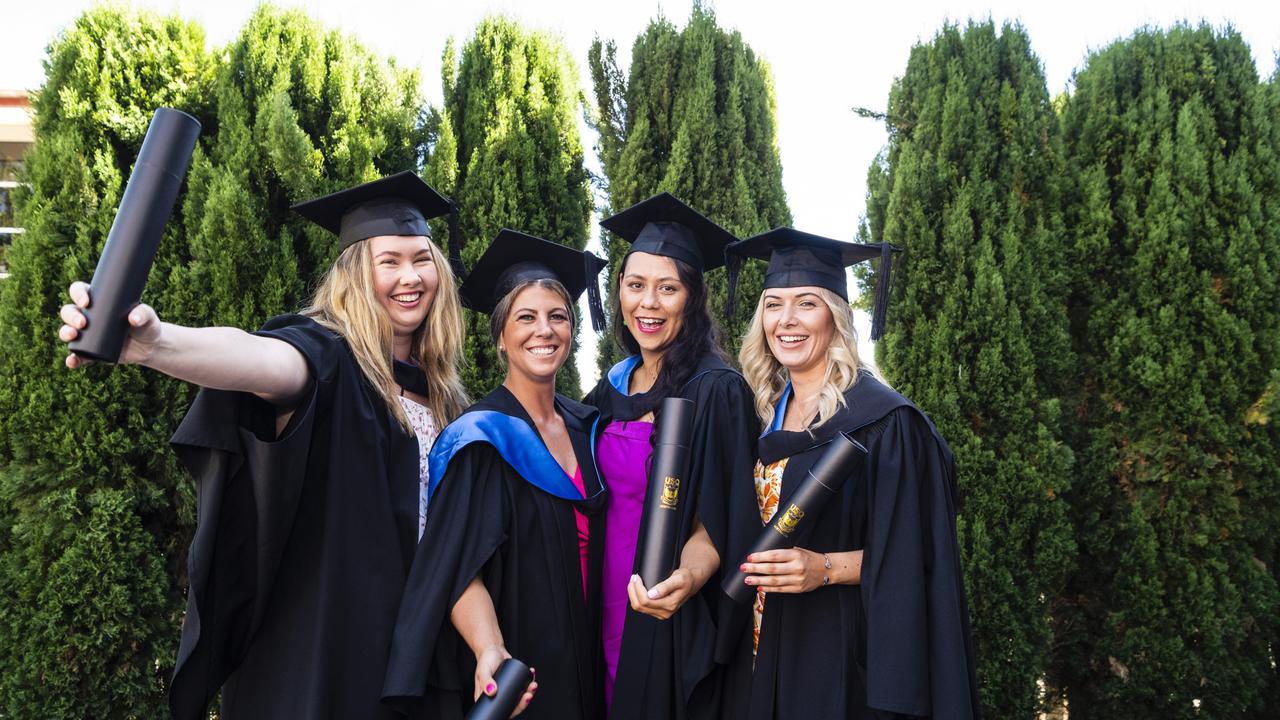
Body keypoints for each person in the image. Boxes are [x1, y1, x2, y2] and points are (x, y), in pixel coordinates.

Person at [57, 171, 469, 719]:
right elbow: (258, 359)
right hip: (323, 651)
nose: (410, 277)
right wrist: (156, 343)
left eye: (421, 259)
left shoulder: (447, 400)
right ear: (354, 273)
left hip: (421, 653)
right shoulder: (328, 359)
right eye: (388, 261)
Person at [720, 228, 981, 720]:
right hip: (759, 642)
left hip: (837, 647)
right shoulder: (762, 413)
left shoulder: (885, 420)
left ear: (836, 317)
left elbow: (919, 551)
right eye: (773, 305)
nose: (787, 320)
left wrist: (824, 569)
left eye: (806, 303)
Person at [382, 229, 610, 719]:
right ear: (502, 338)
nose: (544, 331)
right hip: (524, 662)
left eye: (558, 317)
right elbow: (459, 566)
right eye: (525, 318)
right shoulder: (480, 439)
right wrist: (489, 650)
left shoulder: (589, 427)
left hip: (596, 649)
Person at [584, 193, 760, 719]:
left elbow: (724, 519)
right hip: (597, 599)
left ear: (692, 298)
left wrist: (687, 577)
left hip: (667, 606)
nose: (649, 304)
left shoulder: (717, 391)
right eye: (635, 286)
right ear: (619, 293)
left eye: (668, 288)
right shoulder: (608, 391)